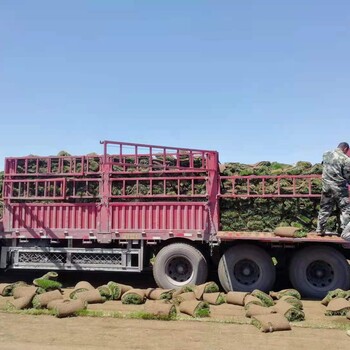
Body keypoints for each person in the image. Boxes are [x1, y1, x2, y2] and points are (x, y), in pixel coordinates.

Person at [316, 142, 350, 240]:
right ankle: (345, 231)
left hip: (326, 187)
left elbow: (323, 165)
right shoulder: (346, 159)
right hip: (339, 188)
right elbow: (348, 175)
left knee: (324, 208)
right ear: (345, 149)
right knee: (345, 209)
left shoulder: (326, 154)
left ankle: (319, 229)